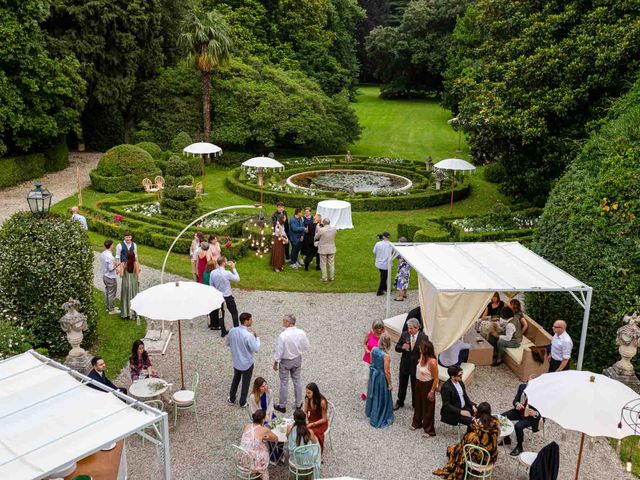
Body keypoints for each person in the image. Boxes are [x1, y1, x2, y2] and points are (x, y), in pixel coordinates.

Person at [433, 402, 500, 479]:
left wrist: (474, 421)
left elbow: (466, 440)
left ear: (478, 412)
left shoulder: (474, 425)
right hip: (490, 457)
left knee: (461, 447)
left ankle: (465, 468)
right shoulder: (495, 423)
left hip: (477, 460)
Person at [273, 314, 310, 413]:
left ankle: (282, 405)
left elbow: (279, 351)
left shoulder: (283, 335)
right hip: (297, 359)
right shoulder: (301, 332)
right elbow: (306, 346)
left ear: (288, 323)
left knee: (284, 382)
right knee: (297, 380)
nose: (282, 322)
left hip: (285, 361)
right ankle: (299, 403)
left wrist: (276, 362)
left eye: (284, 320)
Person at [226, 312, 260, 407]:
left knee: (235, 380)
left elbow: (228, 343)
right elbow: (256, 349)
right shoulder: (248, 335)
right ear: (246, 321)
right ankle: (242, 402)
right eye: (250, 319)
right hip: (247, 363)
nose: (252, 321)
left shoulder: (232, 331)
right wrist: (257, 338)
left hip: (236, 361)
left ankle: (232, 398)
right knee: (245, 383)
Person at [500, 376, 541, 456]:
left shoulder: (540, 394)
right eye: (528, 383)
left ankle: (519, 446)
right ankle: (507, 438)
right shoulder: (522, 387)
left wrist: (535, 413)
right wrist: (517, 404)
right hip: (520, 412)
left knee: (518, 426)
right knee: (503, 416)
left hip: (531, 417)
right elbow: (515, 400)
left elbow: (543, 412)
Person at [394, 318, 428, 410]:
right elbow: (396, 347)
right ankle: (400, 401)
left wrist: (422, 361)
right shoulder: (404, 334)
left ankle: (415, 403)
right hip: (405, 365)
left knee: (415, 386)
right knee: (402, 384)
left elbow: (426, 352)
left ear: (417, 328)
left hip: (416, 367)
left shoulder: (423, 337)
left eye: (411, 328)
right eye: (408, 328)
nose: (409, 330)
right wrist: (402, 347)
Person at [365, 333, 394, 428]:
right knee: (380, 395)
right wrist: (389, 384)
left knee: (373, 393)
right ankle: (379, 415)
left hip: (374, 374)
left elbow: (371, 361)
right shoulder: (386, 356)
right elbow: (387, 371)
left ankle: (371, 411)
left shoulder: (373, 349)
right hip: (381, 377)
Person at [240, 409, 278, 480]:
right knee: (264, 452)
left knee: (257, 448)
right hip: (252, 461)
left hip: (242, 457)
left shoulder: (247, 425)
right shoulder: (264, 429)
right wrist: (267, 437)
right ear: (263, 420)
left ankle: (255, 474)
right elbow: (276, 438)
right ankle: (262, 475)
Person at [411, 340, 439, 438]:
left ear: (426, 350)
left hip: (427, 385)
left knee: (428, 407)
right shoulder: (422, 356)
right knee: (418, 403)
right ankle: (417, 422)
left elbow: (436, 378)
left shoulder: (432, 362)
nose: (419, 349)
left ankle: (429, 429)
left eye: (421, 348)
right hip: (419, 383)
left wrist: (432, 391)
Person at [287, 409, 320, 477]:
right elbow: (315, 443)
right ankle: (312, 473)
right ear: (304, 419)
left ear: (294, 419)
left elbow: (287, 437)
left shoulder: (290, 428)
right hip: (306, 460)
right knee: (317, 445)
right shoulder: (309, 431)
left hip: (294, 458)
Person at [210, 256, 240, 328]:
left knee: (221, 313)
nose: (227, 262)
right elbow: (237, 279)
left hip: (218, 295)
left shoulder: (212, 272)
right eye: (226, 261)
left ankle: (223, 329)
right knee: (234, 312)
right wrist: (233, 268)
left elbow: (211, 285)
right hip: (227, 296)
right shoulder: (227, 273)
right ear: (223, 263)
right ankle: (236, 328)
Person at [361, 319, 385, 400]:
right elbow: (364, 343)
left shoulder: (384, 336)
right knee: (366, 377)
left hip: (378, 361)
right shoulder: (369, 333)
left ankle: (375, 394)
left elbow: (386, 348)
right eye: (377, 328)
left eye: (380, 328)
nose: (378, 330)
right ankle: (365, 393)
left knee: (377, 379)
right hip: (368, 359)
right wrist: (367, 350)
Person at [303, 383, 328, 453]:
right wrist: (306, 419)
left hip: (320, 422)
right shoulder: (307, 399)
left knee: (311, 432)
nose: (307, 394)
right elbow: (305, 411)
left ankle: (316, 451)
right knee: (300, 427)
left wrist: (313, 424)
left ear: (314, 392)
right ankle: (306, 448)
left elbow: (324, 419)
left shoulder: (322, 402)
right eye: (306, 392)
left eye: (309, 393)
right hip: (311, 419)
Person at [119, 250, 141, 319]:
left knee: (126, 297)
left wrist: (121, 269)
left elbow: (121, 275)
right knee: (134, 297)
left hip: (125, 283)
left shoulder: (123, 264)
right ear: (134, 256)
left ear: (127, 257)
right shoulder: (136, 263)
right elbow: (137, 275)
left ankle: (126, 313)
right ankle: (134, 313)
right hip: (133, 282)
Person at [100, 239, 120, 315]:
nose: (113, 246)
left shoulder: (103, 254)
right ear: (111, 245)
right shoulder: (110, 257)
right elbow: (111, 268)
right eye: (113, 244)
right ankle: (111, 309)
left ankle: (108, 306)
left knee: (108, 292)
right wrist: (117, 264)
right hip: (110, 277)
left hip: (105, 276)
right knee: (112, 293)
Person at [314, 217, 337, 281]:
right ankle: (332, 277)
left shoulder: (321, 230)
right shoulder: (334, 229)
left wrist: (318, 229)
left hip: (323, 249)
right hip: (331, 248)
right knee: (331, 263)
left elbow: (316, 237)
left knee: (323, 264)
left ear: (324, 223)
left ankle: (324, 277)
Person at [373, 232, 393, 296]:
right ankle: (379, 291)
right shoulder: (391, 244)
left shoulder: (378, 244)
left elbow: (374, 252)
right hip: (386, 264)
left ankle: (385, 288)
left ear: (383, 237)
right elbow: (392, 253)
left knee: (383, 276)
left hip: (379, 263)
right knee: (384, 278)